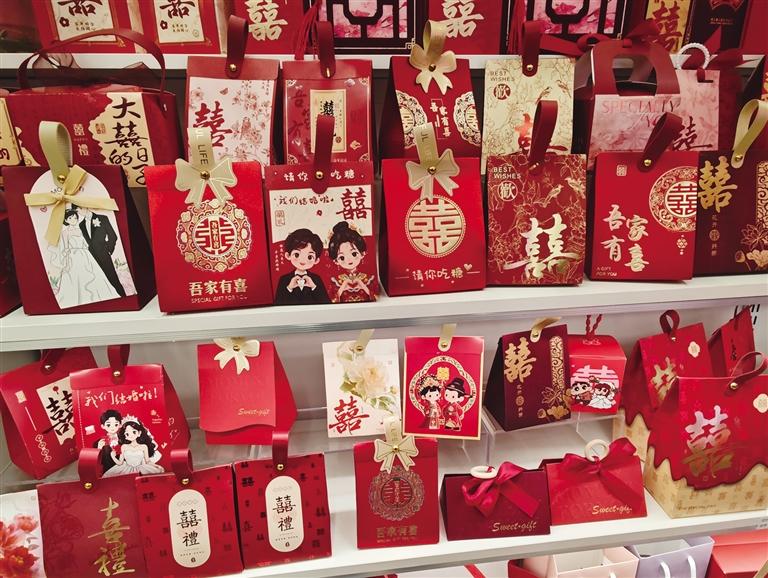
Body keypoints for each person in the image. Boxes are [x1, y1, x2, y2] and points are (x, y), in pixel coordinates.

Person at [50, 207, 120, 308]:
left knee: (93, 274)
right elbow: (65, 247)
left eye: (75, 217)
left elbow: (87, 242)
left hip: (85, 254)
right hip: (73, 255)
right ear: (66, 220)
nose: (73, 220)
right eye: (70, 218)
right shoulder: (65, 233)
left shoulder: (81, 228)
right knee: (76, 277)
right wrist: (66, 258)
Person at [274, 228, 330, 305]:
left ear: (316, 260)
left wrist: (313, 286)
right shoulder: (284, 279)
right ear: (288, 255)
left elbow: (326, 302)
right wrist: (289, 288)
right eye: (297, 254)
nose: (303, 260)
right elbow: (277, 303)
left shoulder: (316, 279)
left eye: (309, 257)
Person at [79, 207, 126, 297]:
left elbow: (112, 236)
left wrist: (108, 249)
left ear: (84, 207)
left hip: (104, 253)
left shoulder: (102, 218)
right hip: (92, 256)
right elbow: (88, 241)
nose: (79, 213)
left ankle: (123, 296)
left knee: (112, 277)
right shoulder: (81, 225)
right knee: (100, 280)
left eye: (79, 210)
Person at [328, 221, 373, 303]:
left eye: (354, 254)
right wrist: (344, 284)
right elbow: (333, 300)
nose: (349, 260)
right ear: (336, 261)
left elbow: (374, 297)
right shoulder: (335, 281)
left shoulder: (369, 278)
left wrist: (360, 283)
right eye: (342, 257)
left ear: (362, 253)